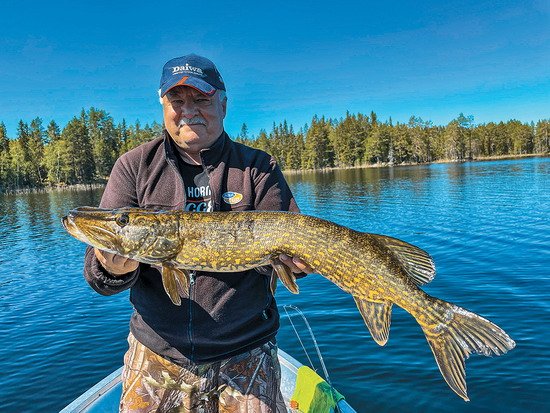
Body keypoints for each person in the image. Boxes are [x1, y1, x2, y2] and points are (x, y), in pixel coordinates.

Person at [83, 53, 312, 413]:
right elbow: (98, 278)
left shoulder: (258, 167)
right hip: (158, 352)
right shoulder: (134, 166)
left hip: (246, 351)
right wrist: (113, 269)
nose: (188, 110)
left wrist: (293, 264)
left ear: (222, 103)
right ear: (163, 106)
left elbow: (279, 263)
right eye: (177, 100)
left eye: (201, 99)